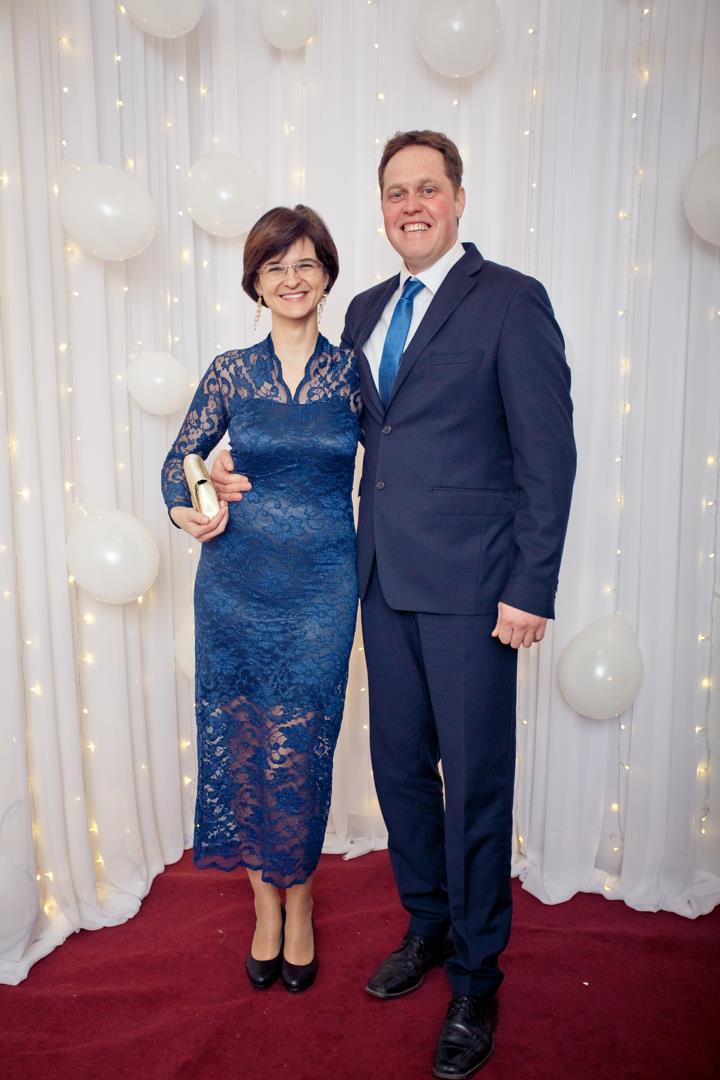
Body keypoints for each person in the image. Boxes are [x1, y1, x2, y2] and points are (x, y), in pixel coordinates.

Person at [212, 130, 575, 1077]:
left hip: (475, 592)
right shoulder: (367, 310)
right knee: (400, 770)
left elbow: (548, 455)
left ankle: (477, 980)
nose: (411, 205)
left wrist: (530, 585)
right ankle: (428, 925)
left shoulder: (512, 301)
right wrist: (228, 470)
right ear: (381, 209)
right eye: (395, 192)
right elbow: (323, 430)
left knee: (475, 779)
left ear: (458, 197)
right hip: (375, 583)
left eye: (427, 188)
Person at [161, 205, 360, 994]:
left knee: (302, 748)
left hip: (323, 590)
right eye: (275, 266)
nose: (291, 278)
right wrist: (194, 504)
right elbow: (180, 460)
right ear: (256, 282)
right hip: (235, 587)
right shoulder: (230, 372)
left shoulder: (353, 373)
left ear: (326, 274)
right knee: (244, 743)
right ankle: (261, 909)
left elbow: (401, 466)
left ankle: (299, 901)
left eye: (305, 263)